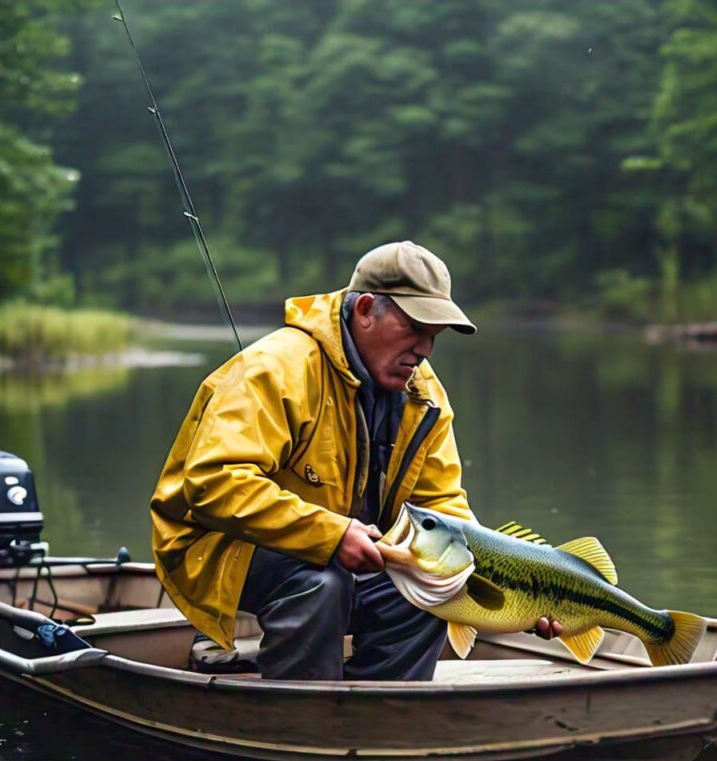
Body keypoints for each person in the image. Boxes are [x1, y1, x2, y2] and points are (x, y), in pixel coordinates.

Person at [151, 240, 560, 681]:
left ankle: (380, 713)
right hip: (220, 548)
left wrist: (513, 593)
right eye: (415, 328)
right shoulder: (274, 368)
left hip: (346, 551)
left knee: (426, 594)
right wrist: (331, 534)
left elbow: (443, 509)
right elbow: (215, 482)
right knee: (322, 584)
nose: (425, 349)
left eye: (433, 335)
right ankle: (303, 718)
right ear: (365, 309)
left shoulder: (424, 395)